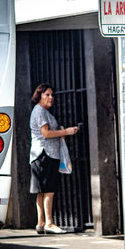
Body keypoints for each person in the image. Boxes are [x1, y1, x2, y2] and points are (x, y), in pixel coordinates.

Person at [29, 83, 79, 234]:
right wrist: (68, 131)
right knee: (49, 190)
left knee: (41, 190)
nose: (51, 98)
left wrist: (60, 132)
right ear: (39, 96)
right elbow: (46, 133)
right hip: (46, 153)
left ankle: (40, 223)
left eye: (52, 95)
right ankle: (49, 223)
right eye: (47, 95)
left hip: (39, 154)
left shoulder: (42, 112)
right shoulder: (40, 111)